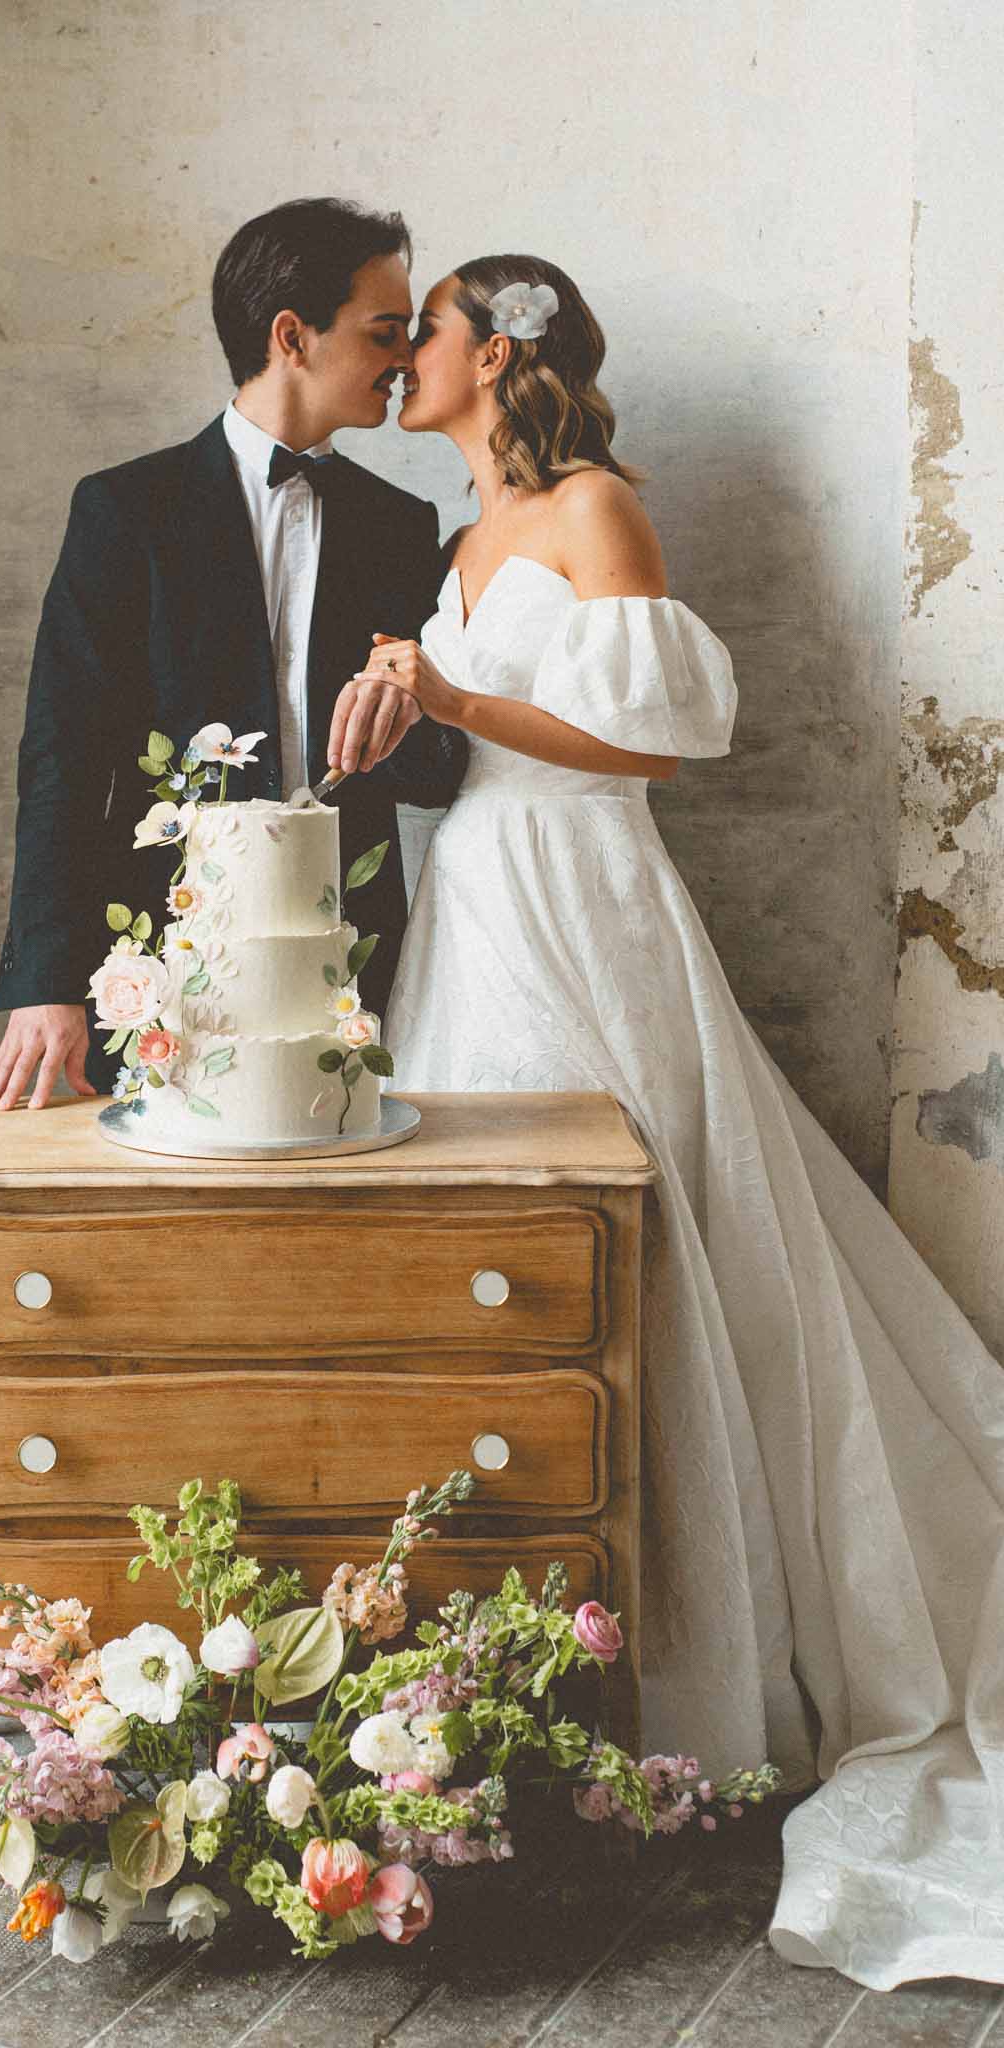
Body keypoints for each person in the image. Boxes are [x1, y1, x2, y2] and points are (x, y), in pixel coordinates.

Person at [343, 254, 1004, 1990]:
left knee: (650, 1228)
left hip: (587, 890)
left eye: (428, 334)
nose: (403, 357)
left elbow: (650, 750)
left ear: (501, 353)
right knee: (492, 1245)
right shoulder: (460, 537)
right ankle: (522, 1620)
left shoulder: (595, 509)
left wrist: (452, 694)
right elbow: (457, 745)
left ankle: (701, 1662)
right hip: (471, 894)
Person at [0, 197, 467, 1111]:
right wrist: (43, 981)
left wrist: (411, 714)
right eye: (384, 330)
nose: (405, 359)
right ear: (293, 335)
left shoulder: (401, 530)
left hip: (352, 956)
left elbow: (438, 773)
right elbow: (63, 758)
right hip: (160, 954)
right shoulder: (126, 512)